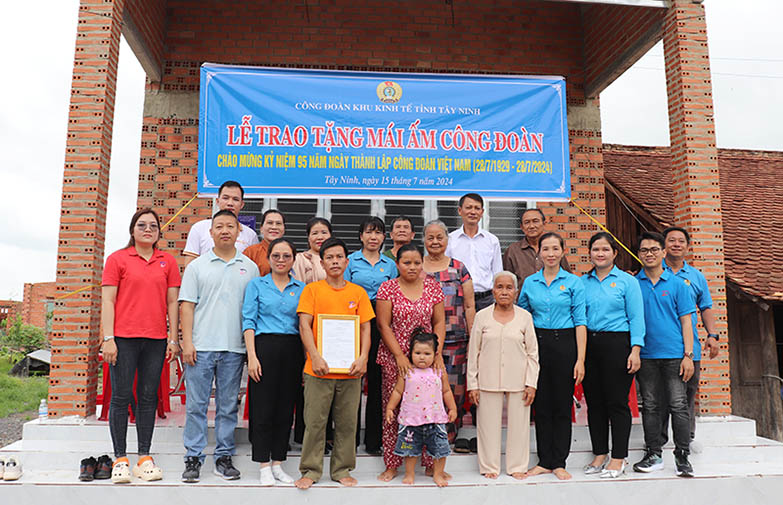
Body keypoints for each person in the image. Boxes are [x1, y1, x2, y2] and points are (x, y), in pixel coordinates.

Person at [179, 209, 260, 483]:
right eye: (219, 226)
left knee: (227, 406)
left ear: (239, 233)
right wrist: (187, 341)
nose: (225, 230)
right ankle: (193, 457)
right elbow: (187, 306)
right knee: (196, 405)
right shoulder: (197, 266)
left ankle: (224, 456)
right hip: (200, 348)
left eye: (230, 226)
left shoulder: (250, 268)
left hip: (234, 348)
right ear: (210, 232)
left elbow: (251, 311)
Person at [100, 209, 181, 483]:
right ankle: (120, 458)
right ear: (132, 230)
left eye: (153, 226)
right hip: (122, 339)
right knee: (121, 397)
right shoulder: (117, 259)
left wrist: (174, 338)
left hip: (156, 339)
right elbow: (108, 301)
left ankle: (144, 457)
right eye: (142, 225)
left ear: (159, 232)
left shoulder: (167, 261)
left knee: (148, 398)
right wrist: (108, 338)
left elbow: (172, 303)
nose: (148, 229)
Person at [294, 237, 374, 490]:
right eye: (330, 257)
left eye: (340, 257)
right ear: (322, 262)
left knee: (348, 423)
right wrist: (314, 356)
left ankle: (342, 469)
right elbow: (304, 325)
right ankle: (310, 470)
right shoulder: (312, 290)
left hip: (350, 370)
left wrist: (363, 358)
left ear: (347, 261)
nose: (335, 261)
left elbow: (365, 328)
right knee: (315, 422)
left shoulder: (358, 293)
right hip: (318, 369)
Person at [517, 231, 586, 480]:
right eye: (546, 249)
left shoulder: (574, 283)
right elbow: (522, 317)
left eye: (555, 248)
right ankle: (544, 460)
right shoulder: (530, 283)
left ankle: (559, 461)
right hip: (537, 345)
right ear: (539, 253)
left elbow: (580, 322)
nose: (551, 254)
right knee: (541, 404)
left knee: (561, 404)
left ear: (563, 251)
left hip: (565, 344)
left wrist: (580, 359)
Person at [376, 243, 446, 482]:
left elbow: (439, 323)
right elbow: (383, 325)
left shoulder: (433, 287)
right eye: (407, 262)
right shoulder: (388, 288)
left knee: (428, 411)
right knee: (395, 412)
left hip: (427, 360)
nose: (412, 267)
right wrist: (399, 356)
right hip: (396, 359)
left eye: (417, 262)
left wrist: (436, 354)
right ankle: (393, 464)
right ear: (397, 264)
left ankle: (429, 463)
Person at [581, 232, 646, 478]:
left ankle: (619, 457)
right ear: (590, 253)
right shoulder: (582, 282)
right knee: (594, 403)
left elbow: (637, 317)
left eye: (605, 249)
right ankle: (600, 453)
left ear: (614, 253)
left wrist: (636, 349)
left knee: (617, 402)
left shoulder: (627, 282)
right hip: (590, 345)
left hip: (618, 344)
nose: (600, 253)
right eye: (596, 249)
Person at [633, 231, 696, 478]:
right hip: (646, 355)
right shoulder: (633, 284)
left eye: (654, 249)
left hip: (674, 355)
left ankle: (682, 456)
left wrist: (688, 355)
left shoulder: (678, 284)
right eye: (644, 250)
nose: (649, 254)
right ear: (639, 255)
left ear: (663, 252)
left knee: (679, 405)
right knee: (650, 406)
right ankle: (654, 453)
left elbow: (687, 321)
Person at [242, 238, 305, 486]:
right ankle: (263, 464)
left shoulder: (301, 288)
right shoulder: (256, 285)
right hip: (263, 348)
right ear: (268, 258)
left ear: (293, 259)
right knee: (262, 407)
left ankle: (278, 462)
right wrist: (252, 356)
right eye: (276, 255)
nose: (281, 260)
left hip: (291, 349)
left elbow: (304, 326)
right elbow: (248, 321)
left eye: (286, 256)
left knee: (284, 407)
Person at [467, 271, 538, 480]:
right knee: (487, 426)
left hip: (519, 380)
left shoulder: (525, 317)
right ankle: (490, 466)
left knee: (519, 425)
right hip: (487, 379)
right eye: (500, 287)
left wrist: (531, 383)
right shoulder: (482, 317)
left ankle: (517, 465)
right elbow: (474, 353)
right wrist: (473, 384)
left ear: (516, 292)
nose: (504, 292)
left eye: (509, 288)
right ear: (493, 291)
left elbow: (533, 353)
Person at [661, 226, 720, 451]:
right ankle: (658, 439)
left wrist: (712, 335)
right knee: (659, 395)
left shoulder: (696, 276)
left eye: (680, 241)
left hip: (689, 346)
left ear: (687, 246)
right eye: (671, 240)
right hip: (659, 346)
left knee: (687, 393)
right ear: (664, 245)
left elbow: (705, 308)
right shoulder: (653, 271)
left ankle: (687, 438)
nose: (676, 244)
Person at [344, 216, 398, 453]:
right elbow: (344, 291)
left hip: (382, 323)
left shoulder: (390, 264)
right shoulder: (350, 262)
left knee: (377, 382)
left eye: (378, 233)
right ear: (361, 236)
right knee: (353, 380)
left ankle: (374, 441)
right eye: (369, 232)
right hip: (355, 321)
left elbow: (396, 295)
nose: (373, 237)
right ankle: (349, 439)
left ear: (384, 237)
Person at [421, 219, 476, 450]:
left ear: (447, 240)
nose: (435, 241)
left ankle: (449, 435)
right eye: (430, 237)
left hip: (456, 339)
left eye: (439, 237)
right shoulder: (416, 265)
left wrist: (474, 336)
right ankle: (424, 433)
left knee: (453, 389)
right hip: (421, 341)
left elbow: (471, 305)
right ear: (424, 240)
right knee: (423, 388)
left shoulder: (459, 267)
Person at [385, 329, 457, 487]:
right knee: (410, 450)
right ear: (411, 353)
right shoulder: (407, 371)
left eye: (426, 353)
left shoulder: (439, 371)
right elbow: (398, 391)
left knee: (440, 449)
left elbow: (446, 391)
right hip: (411, 420)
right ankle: (409, 473)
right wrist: (390, 408)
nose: (422, 357)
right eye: (417, 353)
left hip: (436, 419)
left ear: (435, 354)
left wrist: (452, 408)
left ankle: (438, 474)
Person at [445, 193, 502, 311]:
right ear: (460, 210)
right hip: (458, 299)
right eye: (468, 207)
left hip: (486, 300)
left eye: (477, 208)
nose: (473, 212)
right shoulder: (450, 240)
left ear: (482, 212)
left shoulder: (492, 240)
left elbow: (497, 273)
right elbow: (446, 271)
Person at [183, 180, 258, 266]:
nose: (230, 203)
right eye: (225, 198)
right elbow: (189, 266)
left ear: (241, 204)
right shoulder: (199, 228)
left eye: (235, 199)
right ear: (217, 201)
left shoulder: (250, 235)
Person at [503, 208, 571, 288]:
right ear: (521, 227)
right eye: (527, 222)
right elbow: (506, 281)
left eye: (535, 221)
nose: (531, 226)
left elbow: (568, 278)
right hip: (523, 299)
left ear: (544, 223)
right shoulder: (513, 250)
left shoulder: (553, 248)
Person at [243, 209, 286, 275]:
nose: (274, 227)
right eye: (270, 223)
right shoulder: (251, 252)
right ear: (261, 228)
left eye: (278, 223)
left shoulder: (289, 252)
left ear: (284, 229)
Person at [292, 217, 332, 284]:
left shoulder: (337, 259)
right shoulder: (300, 259)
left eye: (324, 232)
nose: (320, 237)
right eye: (315, 233)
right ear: (308, 237)